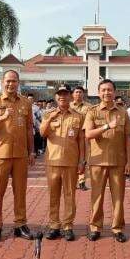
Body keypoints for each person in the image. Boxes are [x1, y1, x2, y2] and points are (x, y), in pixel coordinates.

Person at [0, 70, 35, 243]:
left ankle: (20, 224)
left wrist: (32, 151)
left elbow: (29, 129)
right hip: (1, 153)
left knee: (20, 191)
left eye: (14, 81)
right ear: (2, 82)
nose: (10, 84)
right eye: (8, 81)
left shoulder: (26, 103)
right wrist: (3, 117)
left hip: (21, 154)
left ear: (18, 82)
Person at [84, 79, 130, 243]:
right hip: (98, 161)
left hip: (118, 162)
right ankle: (95, 227)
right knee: (96, 197)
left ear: (115, 92)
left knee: (118, 197)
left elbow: (127, 138)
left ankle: (117, 228)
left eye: (109, 90)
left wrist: (129, 162)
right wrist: (106, 126)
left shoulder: (122, 112)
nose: (107, 93)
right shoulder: (92, 111)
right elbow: (88, 134)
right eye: (103, 90)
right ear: (98, 93)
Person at [39, 84, 85, 241]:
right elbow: (42, 134)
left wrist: (82, 161)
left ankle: (68, 226)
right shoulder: (48, 114)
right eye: (59, 94)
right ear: (55, 97)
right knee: (53, 195)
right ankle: (54, 226)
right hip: (53, 161)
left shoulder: (78, 116)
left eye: (65, 94)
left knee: (69, 195)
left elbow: (81, 141)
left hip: (71, 162)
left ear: (70, 96)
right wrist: (50, 118)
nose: (62, 97)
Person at [71, 86, 92, 191]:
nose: (78, 94)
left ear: (83, 94)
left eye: (80, 92)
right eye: (76, 92)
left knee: (84, 159)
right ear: (72, 94)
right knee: (73, 157)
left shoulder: (89, 107)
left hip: (84, 136)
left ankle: (82, 181)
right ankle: (73, 181)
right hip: (72, 136)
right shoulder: (68, 106)